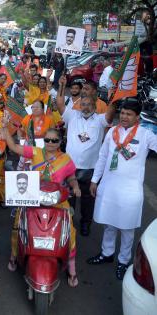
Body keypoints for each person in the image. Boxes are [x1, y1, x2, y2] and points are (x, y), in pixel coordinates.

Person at [1, 125, 81, 287]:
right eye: (47, 140)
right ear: (43, 141)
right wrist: (5, 128)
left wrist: (75, 186)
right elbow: (14, 147)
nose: (50, 143)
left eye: (54, 140)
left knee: (69, 231)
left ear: (60, 142)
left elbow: (71, 177)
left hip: (57, 200)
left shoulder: (65, 159)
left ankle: (72, 268)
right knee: (19, 225)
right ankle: (14, 255)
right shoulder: (35, 152)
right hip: (32, 198)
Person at [87, 101, 157, 280]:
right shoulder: (112, 132)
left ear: (137, 117)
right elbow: (102, 157)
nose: (124, 117)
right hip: (109, 186)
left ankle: (123, 261)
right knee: (109, 224)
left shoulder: (146, 135)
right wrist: (95, 180)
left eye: (129, 114)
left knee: (127, 228)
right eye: (123, 113)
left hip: (130, 190)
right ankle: (106, 253)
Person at [57, 76, 116, 236]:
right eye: (83, 104)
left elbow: (110, 114)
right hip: (70, 168)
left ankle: (85, 224)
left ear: (94, 106)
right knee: (68, 198)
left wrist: (114, 95)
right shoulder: (72, 116)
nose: (85, 107)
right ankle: (67, 222)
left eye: (89, 104)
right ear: (79, 105)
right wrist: (62, 85)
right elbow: (60, 103)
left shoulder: (100, 120)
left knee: (87, 200)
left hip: (90, 169)